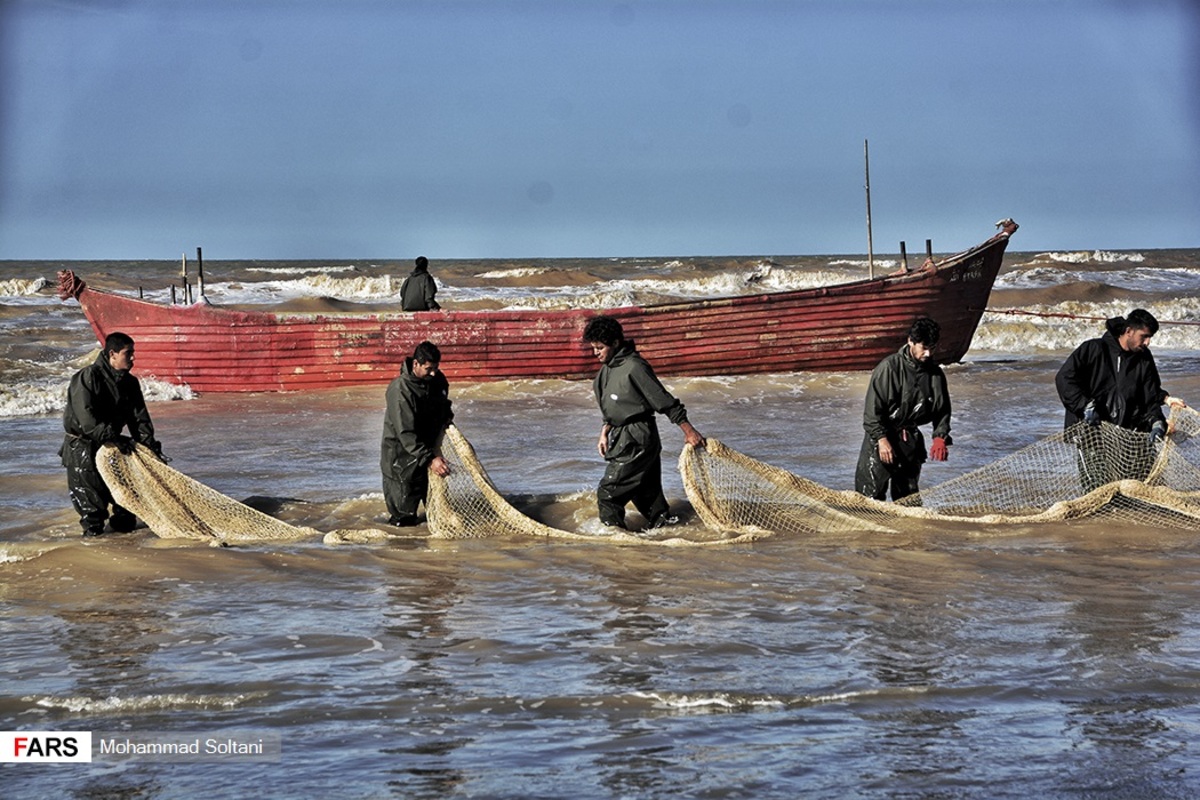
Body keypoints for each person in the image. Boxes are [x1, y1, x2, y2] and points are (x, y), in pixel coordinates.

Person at [582, 315, 706, 530]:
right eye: (593, 348)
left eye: (600, 347)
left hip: (637, 437)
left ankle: (614, 543)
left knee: (608, 494)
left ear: (616, 343)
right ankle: (665, 535)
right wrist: (604, 432)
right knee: (648, 497)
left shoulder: (634, 367)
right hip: (620, 435)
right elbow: (614, 407)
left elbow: (664, 401)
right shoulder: (605, 371)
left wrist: (689, 431)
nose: (596, 353)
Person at [1055, 309, 1186, 489]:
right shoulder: (1093, 349)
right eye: (1144, 336)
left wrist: (1157, 421)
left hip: (1129, 433)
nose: (1147, 342)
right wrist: (1084, 406)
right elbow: (1064, 379)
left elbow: (1150, 395)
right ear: (1128, 331)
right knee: (1098, 489)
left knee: (1142, 487)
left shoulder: (1144, 358)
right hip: (1092, 432)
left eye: (1150, 338)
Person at [60, 332, 164, 537]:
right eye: (129, 353)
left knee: (126, 510)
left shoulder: (130, 383)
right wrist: (113, 438)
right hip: (83, 447)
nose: (133, 358)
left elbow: (139, 420)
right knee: (93, 515)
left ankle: (123, 555)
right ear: (112, 354)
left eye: (133, 353)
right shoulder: (87, 377)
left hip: (113, 446)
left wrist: (150, 446)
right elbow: (87, 420)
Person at [855, 317, 952, 502]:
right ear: (910, 341)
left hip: (910, 441)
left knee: (908, 499)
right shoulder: (888, 368)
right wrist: (882, 441)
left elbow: (942, 411)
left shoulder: (935, 374)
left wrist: (940, 436)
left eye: (933, 347)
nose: (929, 354)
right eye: (924, 347)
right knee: (870, 499)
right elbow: (871, 414)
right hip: (881, 439)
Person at [381, 340, 453, 526]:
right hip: (401, 460)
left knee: (435, 511)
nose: (433, 373)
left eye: (436, 368)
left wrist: (447, 420)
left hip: (426, 453)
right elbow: (406, 434)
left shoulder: (436, 380)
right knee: (403, 520)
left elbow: (444, 405)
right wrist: (430, 459)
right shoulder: (400, 390)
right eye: (429, 369)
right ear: (416, 364)